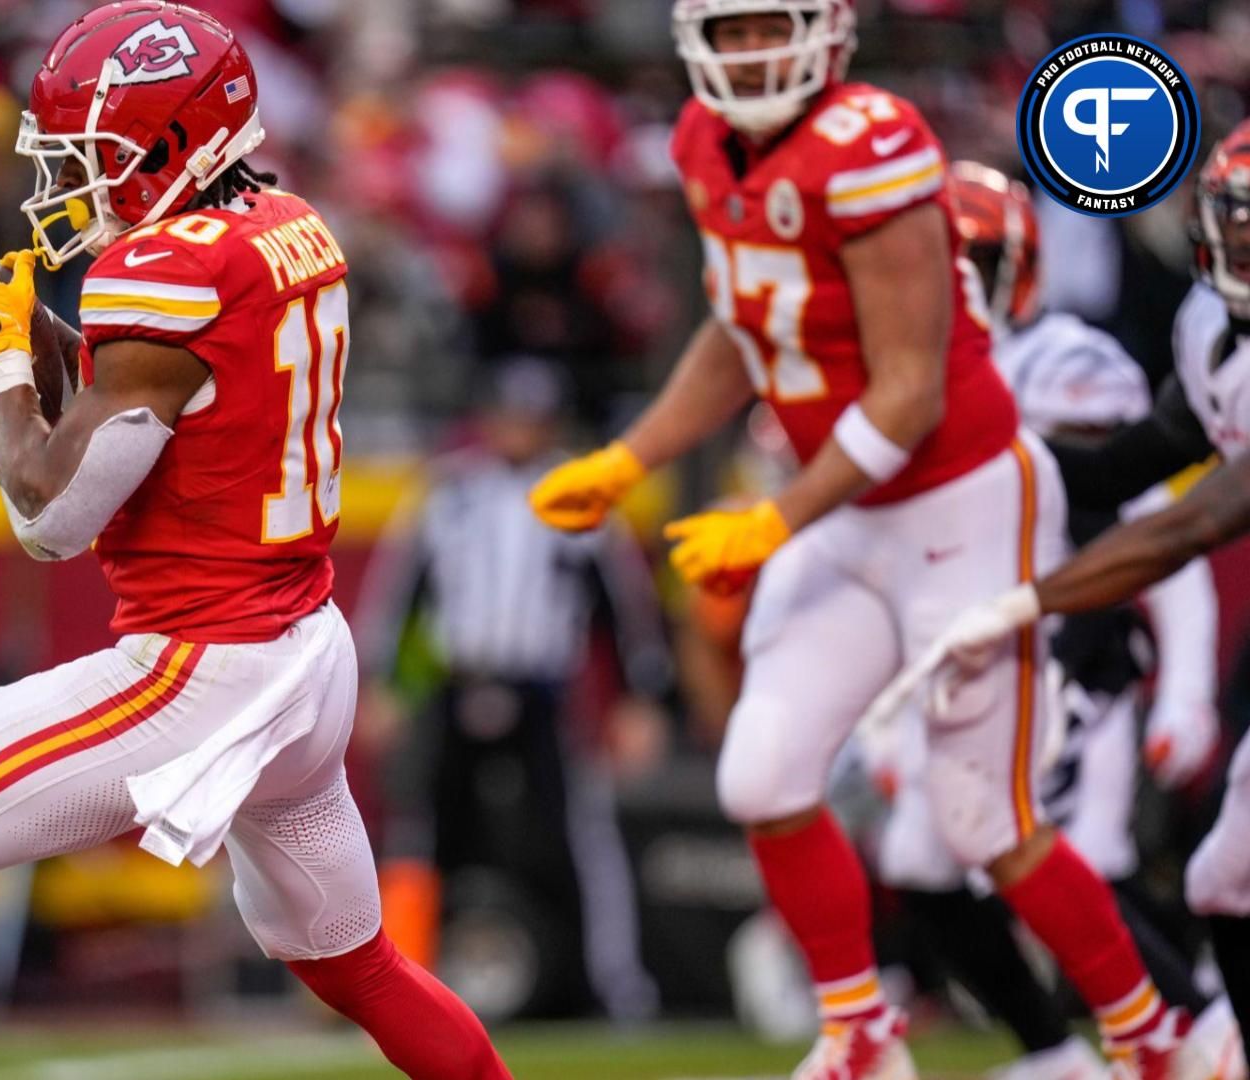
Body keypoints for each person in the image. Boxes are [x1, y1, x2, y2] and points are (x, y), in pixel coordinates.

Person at [0, 5, 509, 1079]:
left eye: (98, 161)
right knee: (355, 965)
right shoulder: (284, 221)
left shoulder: (163, 271)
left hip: (199, 669)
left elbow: (50, 515)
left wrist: (3, 369)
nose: (73, 189)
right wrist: (42, 341)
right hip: (305, 652)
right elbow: (180, 393)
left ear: (178, 146)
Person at [529, 3, 1193, 1077]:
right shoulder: (704, 140)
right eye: (731, 30)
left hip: (959, 502)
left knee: (986, 821)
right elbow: (748, 326)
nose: (750, 52)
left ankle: (1150, 1038)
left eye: (768, 27)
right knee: (761, 775)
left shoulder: (873, 141)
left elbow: (910, 394)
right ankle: (861, 1031)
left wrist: (774, 518)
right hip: (849, 507)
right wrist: (632, 457)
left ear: (825, 29)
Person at [872, 121, 1250, 1080]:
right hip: (991, 631)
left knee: (1090, 855)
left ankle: (1190, 1035)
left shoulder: (1066, 361)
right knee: (1209, 875)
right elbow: (1135, 462)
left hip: (1070, 635)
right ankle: (1105, 1051)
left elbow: (1179, 526)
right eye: (1239, 224)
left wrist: (1172, 681)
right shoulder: (1210, 331)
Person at [360, 358, 670, 1021]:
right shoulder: (450, 492)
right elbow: (401, 595)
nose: (518, 431)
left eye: (532, 419)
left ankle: (609, 986)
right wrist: (381, 683)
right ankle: (400, 986)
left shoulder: (578, 499)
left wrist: (639, 697)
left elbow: (622, 608)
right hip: (456, 681)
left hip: (541, 689)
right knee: (422, 832)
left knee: (577, 835)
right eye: (508, 416)